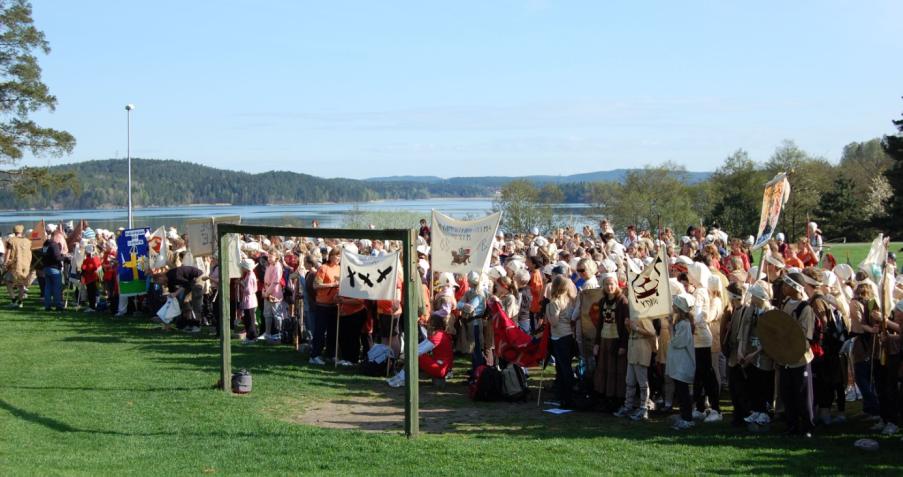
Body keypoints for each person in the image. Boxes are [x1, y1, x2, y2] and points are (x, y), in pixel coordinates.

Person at [779, 272, 817, 437]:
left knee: (803, 394)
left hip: (800, 358)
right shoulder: (786, 303)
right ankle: (792, 425)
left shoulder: (805, 308)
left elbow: (804, 336)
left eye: (787, 285)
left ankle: (807, 427)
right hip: (785, 357)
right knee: (787, 393)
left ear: (795, 287)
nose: (783, 288)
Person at [687, 262, 722, 423]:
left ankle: (716, 409)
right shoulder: (700, 290)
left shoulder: (700, 291)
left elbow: (698, 313)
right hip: (698, 337)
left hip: (701, 337)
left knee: (706, 374)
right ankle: (700, 407)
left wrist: (691, 319)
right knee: (699, 375)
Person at [737, 282, 775, 427]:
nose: (751, 298)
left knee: (764, 382)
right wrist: (741, 349)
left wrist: (755, 353)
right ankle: (756, 409)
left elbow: (771, 338)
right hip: (750, 352)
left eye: (754, 296)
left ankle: (765, 411)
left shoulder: (770, 312)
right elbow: (744, 328)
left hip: (764, 355)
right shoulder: (751, 310)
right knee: (753, 383)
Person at [593, 273, 628, 410]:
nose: (609, 287)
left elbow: (625, 327)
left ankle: (618, 398)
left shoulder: (622, 301)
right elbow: (600, 324)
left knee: (617, 370)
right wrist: (597, 343)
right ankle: (605, 396)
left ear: (617, 284)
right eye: (607, 284)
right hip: (604, 338)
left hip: (616, 340)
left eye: (612, 284)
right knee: (605, 368)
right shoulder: (602, 301)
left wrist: (623, 345)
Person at [613, 310, 657, 421]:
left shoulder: (644, 316)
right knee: (630, 381)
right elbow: (632, 332)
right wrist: (628, 326)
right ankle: (628, 406)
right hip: (633, 350)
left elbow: (651, 332)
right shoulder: (633, 315)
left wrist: (636, 328)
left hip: (641, 350)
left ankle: (643, 408)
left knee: (642, 382)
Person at [547, 275, 577, 408]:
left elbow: (554, 322)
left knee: (563, 368)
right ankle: (564, 394)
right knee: (565, 366)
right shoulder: (571, 300)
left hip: (559, 336)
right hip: (569, 335)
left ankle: (567, 396)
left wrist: (547, 311)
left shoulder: (554, 303)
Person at [669, 293, 697, 430]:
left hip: (683, 364)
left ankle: (687, 418)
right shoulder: (680, 323)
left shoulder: (685, 325)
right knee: (680, 392)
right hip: (678, 363)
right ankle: (683, 415)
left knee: (683, 392)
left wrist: (670, 328)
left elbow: (677, 342)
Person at [310, 248, 341, 365]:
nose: (338, 258)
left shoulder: (339, 268)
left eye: (340, 256)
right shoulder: (323, 268)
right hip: (323, 304)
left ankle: (330, 354)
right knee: (320, 331)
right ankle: (314, 355)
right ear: (331, 256)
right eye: (336, 256)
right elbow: (315, 285)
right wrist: (332, 284)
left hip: (335, 304)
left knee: (333, 332)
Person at [154, 264, 206, 332]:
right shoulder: (169, 281)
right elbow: (172, 292)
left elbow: (186, 284)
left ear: (160, 278)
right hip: (190, 281)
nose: (160, 284)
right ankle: (188, 323)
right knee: (185, 302)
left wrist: (176, 293)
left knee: (196, 302)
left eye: (158, 282)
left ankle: (197, 325)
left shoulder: (173, 275)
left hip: (198, 277)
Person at [5, 225, 31, 308]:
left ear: (14, 231)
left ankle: (14, 300)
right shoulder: (27, 241)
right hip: (26, 265)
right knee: (22, 285)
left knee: (8, 282)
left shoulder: (11, 240)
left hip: (15, 265)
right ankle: (20, 302)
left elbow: (8, 254)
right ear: (22, 231)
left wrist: (5, 263)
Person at [41, 235, 65, 311]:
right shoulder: (54, 245)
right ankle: (58, 305)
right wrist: (65, 258)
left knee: (47, 288)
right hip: (54, 268)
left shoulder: (45, 245)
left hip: (46, 268)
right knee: (57, 288)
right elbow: (57, 257)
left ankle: (47, 306)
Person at [238, 258, 259, 343]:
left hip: (250, 300)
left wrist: (241, 283)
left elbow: (248, 290)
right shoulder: (249, 274)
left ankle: (252, 337)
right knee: (248, 319)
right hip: (249, 300)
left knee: (250, 320)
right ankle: (250, 336)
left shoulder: (250, 276)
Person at [80, 245, 102, 311]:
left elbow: (85, 268)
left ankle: (92, 307)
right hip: (95, 278)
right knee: (94, 292)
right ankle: (94, 305)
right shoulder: (96, 257)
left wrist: (82, 270)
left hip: (91, 278)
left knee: (91, 293)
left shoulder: (88, 259)